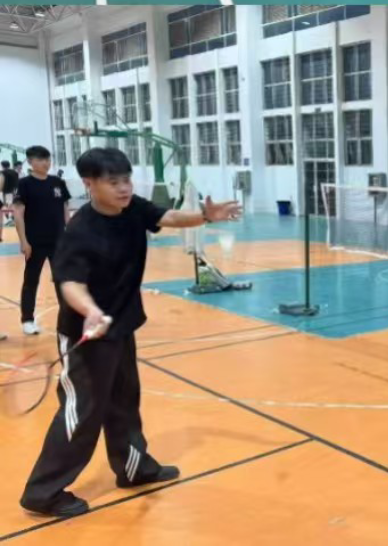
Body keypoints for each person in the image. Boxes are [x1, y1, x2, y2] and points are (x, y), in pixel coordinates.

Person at [17, 148, 241, 518]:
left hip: (121, 323)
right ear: (89, 184)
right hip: (86, 334)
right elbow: (70, 283)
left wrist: (204, 216)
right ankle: (42, 492)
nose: (124, 188)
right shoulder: (79, 231)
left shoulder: (132, 207)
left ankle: (134, 468)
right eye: (113, 182)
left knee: (124, 401)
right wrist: (90, 311)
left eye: (126, 180)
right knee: (81, 411)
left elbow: (167, 216)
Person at [14, 146, 70, 336]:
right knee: (31, 281)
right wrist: (24, 241)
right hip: (35, 242)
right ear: (30, 162)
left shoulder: (57, 182)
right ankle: (27, 320)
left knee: (63, 280)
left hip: (58, 241)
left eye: (47, 159)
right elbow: (18, 214)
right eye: (40, 160)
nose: (46, 163)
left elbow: (65, 209)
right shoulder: (24, 184)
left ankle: (68, 320)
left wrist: (70, 234)